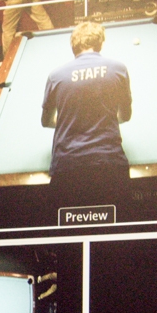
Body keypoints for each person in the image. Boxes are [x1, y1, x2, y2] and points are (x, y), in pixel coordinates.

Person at [40, 20, 131, 200]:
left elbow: (46, 122)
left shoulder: (55, 76)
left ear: (74, 47)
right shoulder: (119, 69)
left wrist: (68, 119)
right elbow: (125, 116)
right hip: (111, 164)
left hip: (67, 167)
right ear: (100, 44)